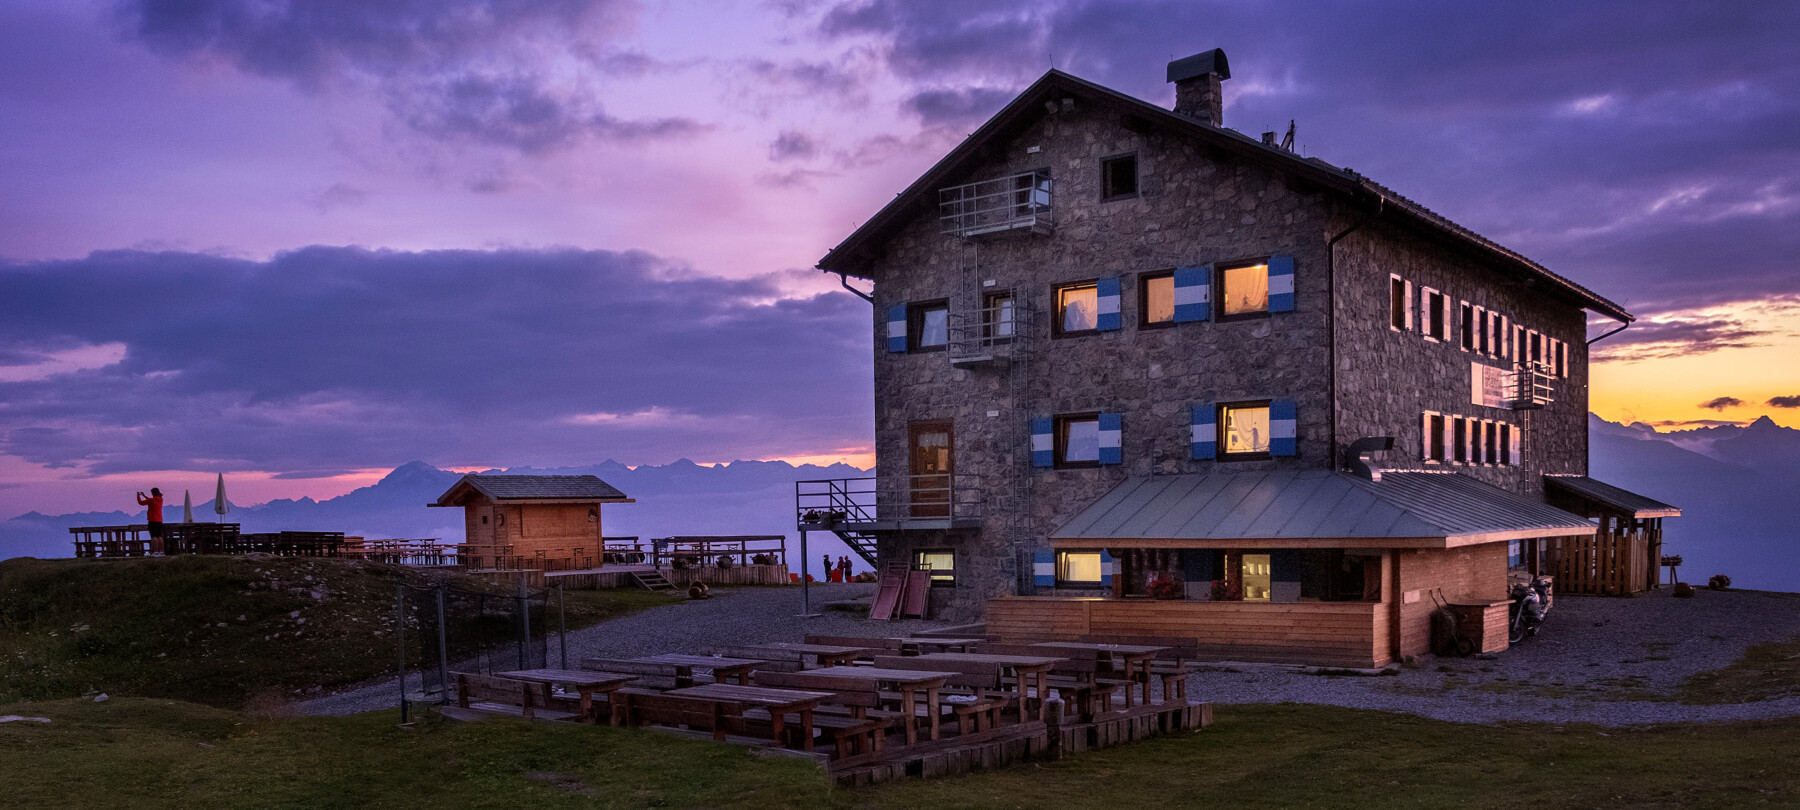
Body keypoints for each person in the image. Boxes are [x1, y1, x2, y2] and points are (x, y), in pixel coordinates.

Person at [136, 487, 165, 555]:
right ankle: (162, 552)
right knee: (159, 536)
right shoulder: (160, 499)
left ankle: (156, 552)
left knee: (153, 537)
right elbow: (151, 500)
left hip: (152, 520)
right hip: (159, 520)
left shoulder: (152, 500)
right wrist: (144, 496)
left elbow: (141, 503)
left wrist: (138, 496)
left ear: (153, 493)